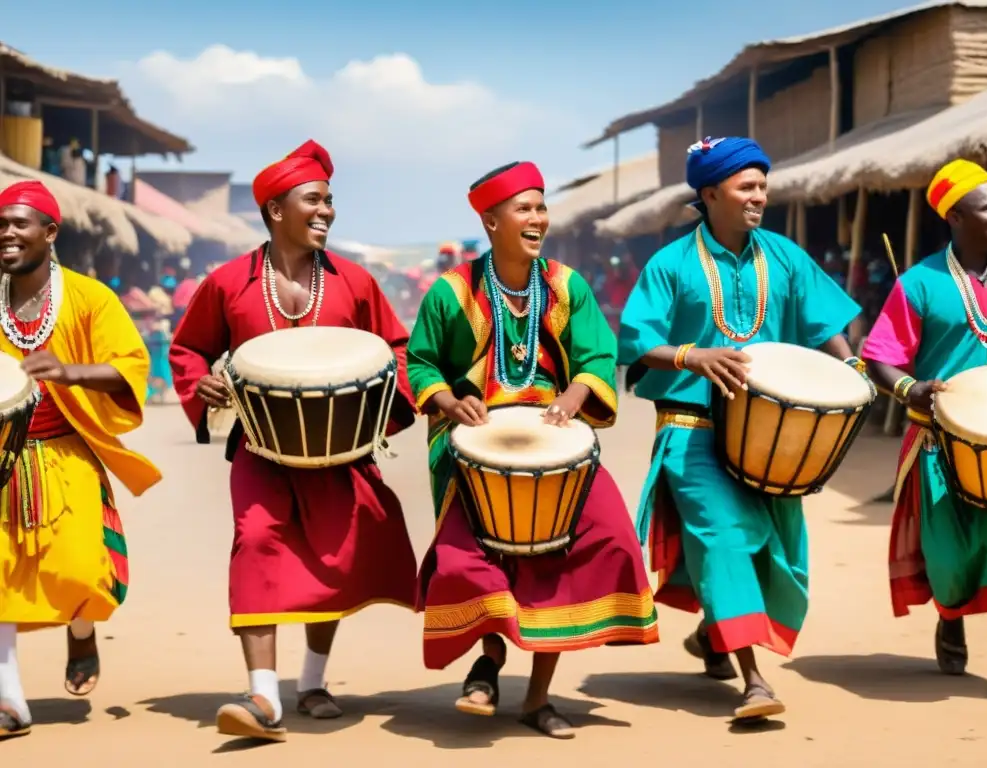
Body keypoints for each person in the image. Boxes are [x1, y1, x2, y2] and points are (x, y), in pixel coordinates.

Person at [169, 140, 419, 743]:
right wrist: (199, 383)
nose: (327, 210)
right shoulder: (227, 283)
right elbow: (189, 347)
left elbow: (400, 351)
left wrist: (380, 406)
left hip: (343, 454)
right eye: (314, 200)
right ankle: (262, 695)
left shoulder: (355, 282)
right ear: (276, 210)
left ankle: (313, 681)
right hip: (260, 450)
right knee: (256, 543)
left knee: (332, 560)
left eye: (331, 201)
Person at [407, 161, 658, 739]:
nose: (538, 218)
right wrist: (447, 402)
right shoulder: (452, 292)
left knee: (603, 537)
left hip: (555, 441)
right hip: (474, 445)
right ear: (491, 221)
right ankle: (488, 661)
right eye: (525, 208)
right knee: (466, 559)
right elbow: (419, 361)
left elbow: (597, 357)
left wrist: (572, 400)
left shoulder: (567, 286)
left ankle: (538, 697)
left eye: (542, 207)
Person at [617, 137, 864, 721]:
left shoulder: (782, 255)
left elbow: (824, 319)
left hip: (773, 435)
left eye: (763, 187)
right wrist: (691, 356)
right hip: (693, 429)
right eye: (746, 187)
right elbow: (636, 341)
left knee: (774, 552)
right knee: (724, 540)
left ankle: (713, 634)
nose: (760, 197)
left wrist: (850, 365)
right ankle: (754, 681)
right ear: (709, 194)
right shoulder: (671, 264)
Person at [0, 180, 160, 739]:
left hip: (66, 451)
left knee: (79, 571)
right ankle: (8, 698)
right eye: (1, 225)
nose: (7, 233)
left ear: (50, 232)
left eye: (20, 224)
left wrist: (69, 371)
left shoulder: (90, 297)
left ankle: (83, 628)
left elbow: (130, 365)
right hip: (2, 459)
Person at [860, 159, 987, 705]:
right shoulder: (919, 284)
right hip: (938, 442)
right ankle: (950, 614)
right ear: (954, 216)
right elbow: (880, 356)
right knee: (949, 558)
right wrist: (911, 391)